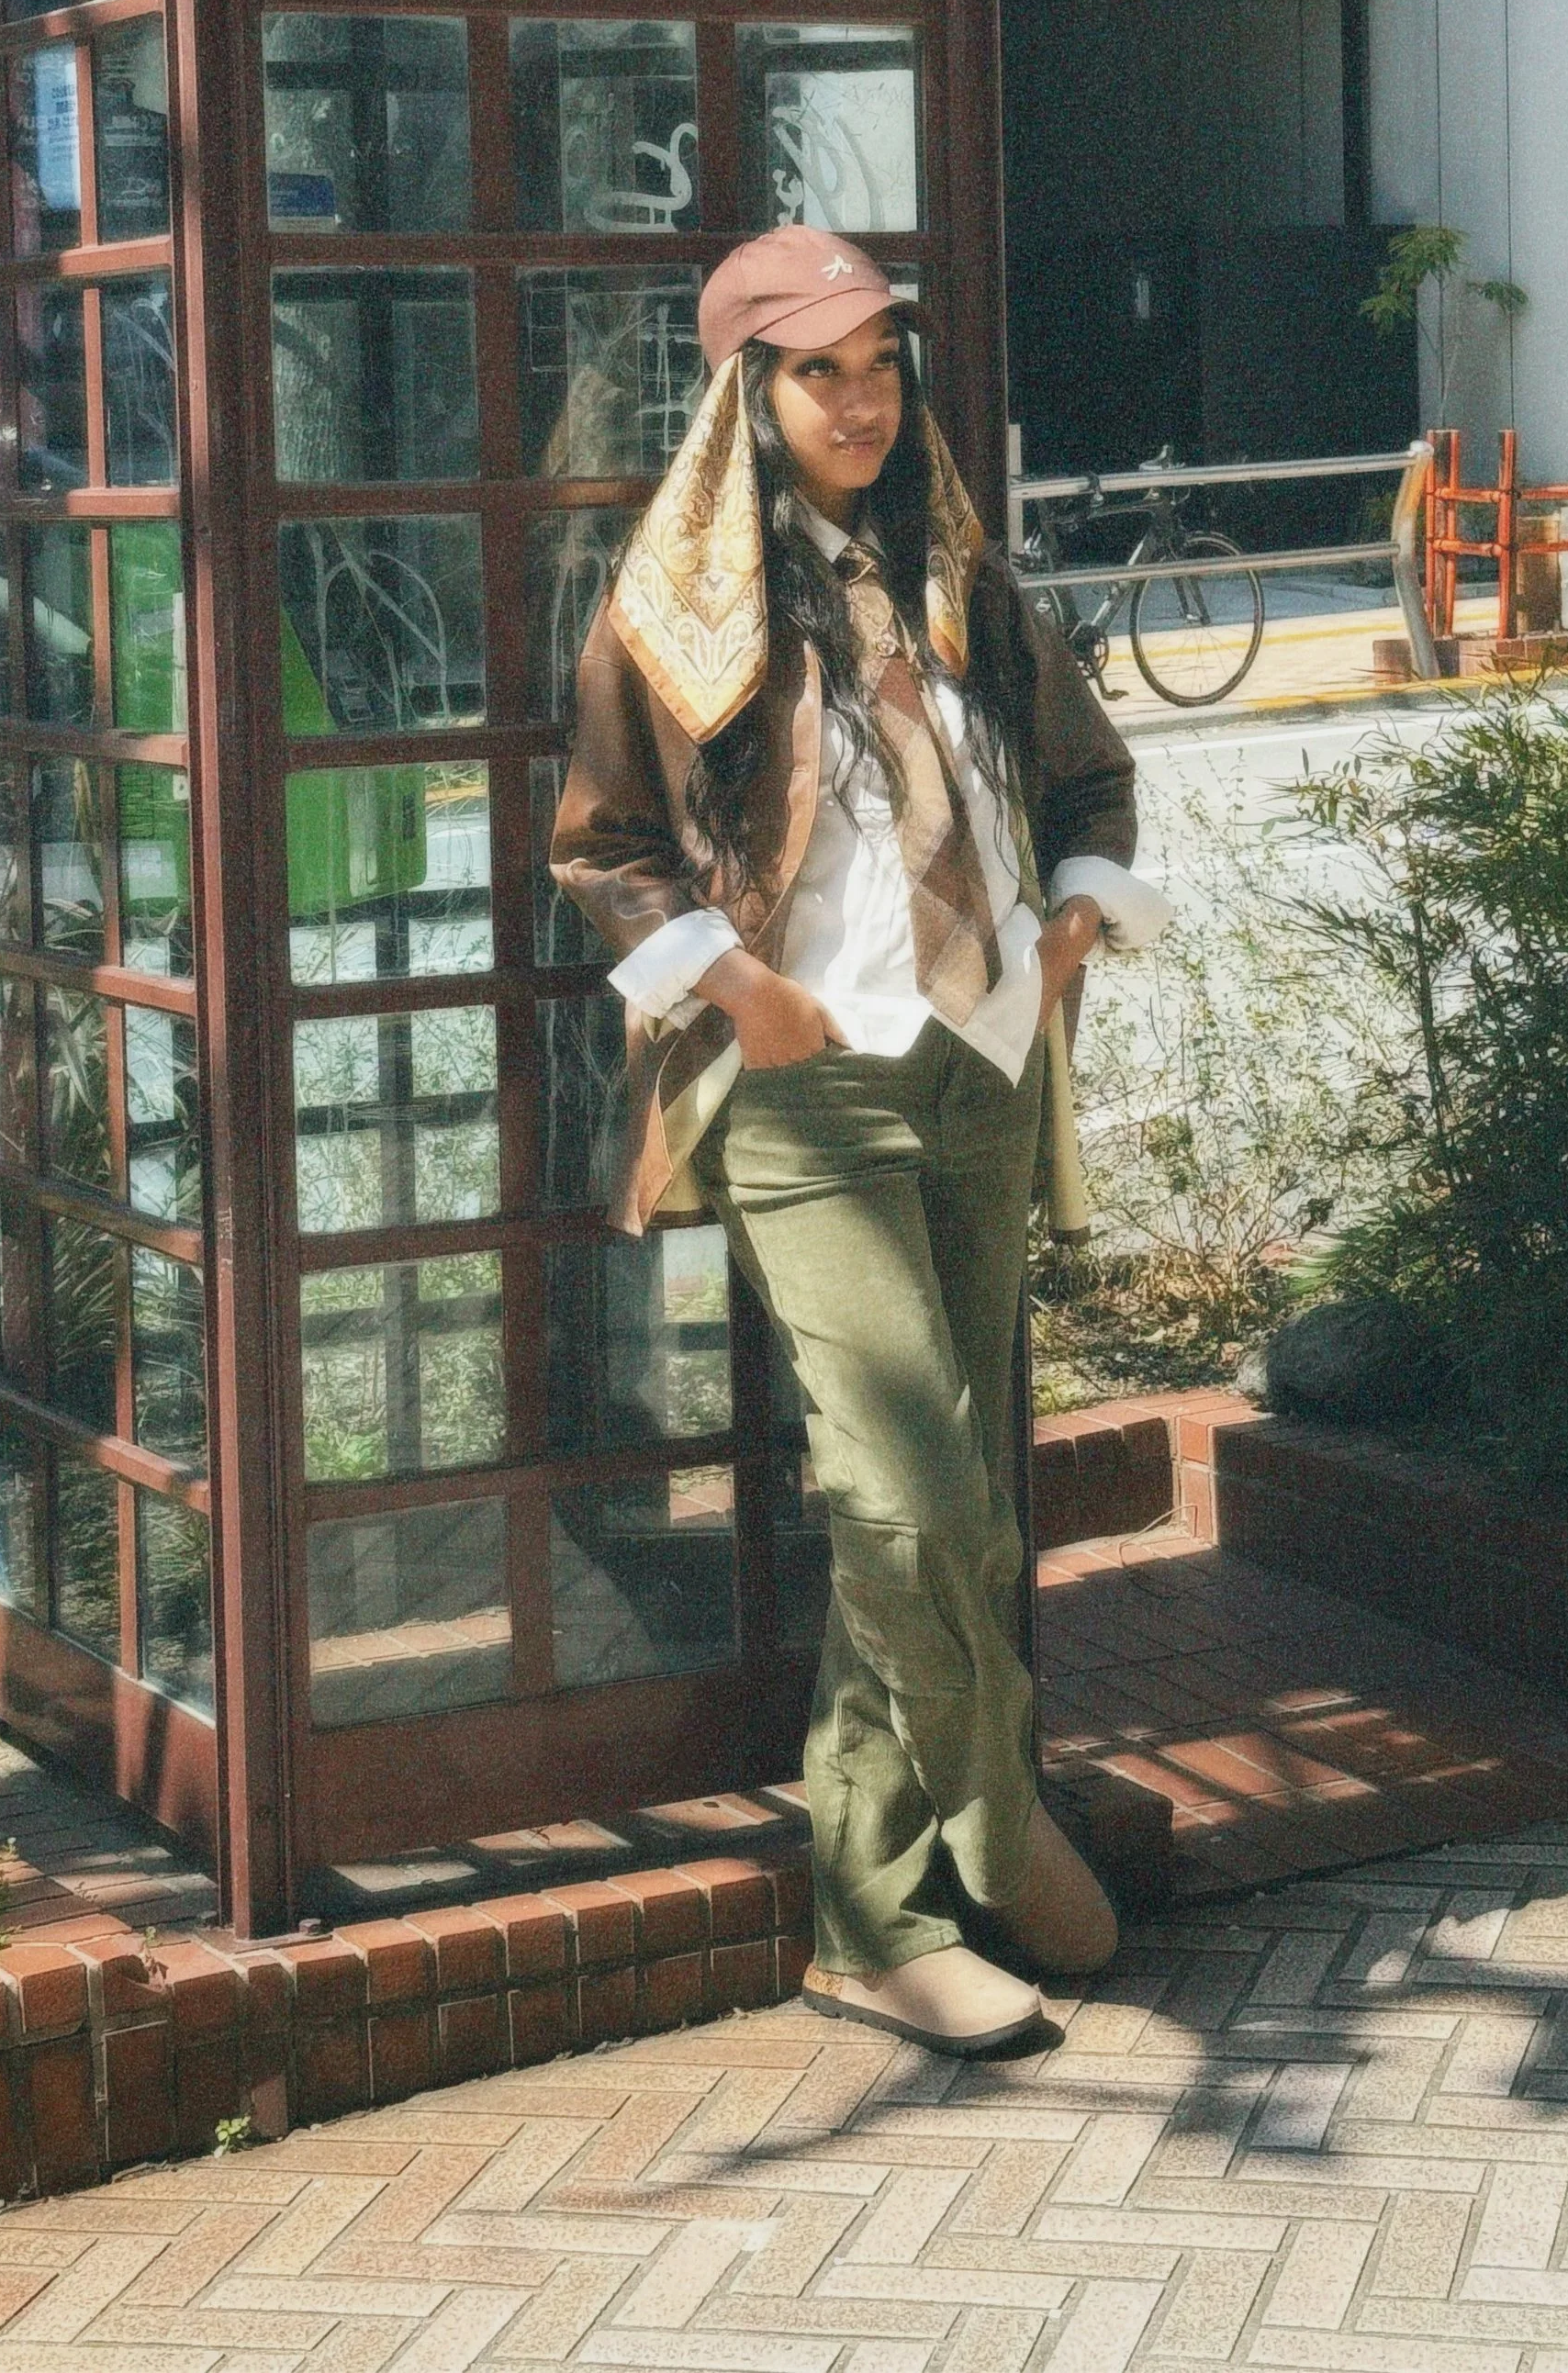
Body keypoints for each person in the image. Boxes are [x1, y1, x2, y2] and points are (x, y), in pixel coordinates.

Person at [551, 225, 1170, 2056]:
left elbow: (1094, 774)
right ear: (748, 396)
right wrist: (737, 989)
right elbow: (599, 844)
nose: (859, 401)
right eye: (818, 372)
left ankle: (874, 1925)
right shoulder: (673, 607)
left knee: (960, 1491)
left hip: (976, 1064)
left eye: (879, 364)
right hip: (806, 1083)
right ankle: (996, 1814)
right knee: (907, 1490)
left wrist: (1074, 913)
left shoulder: (959, 576)